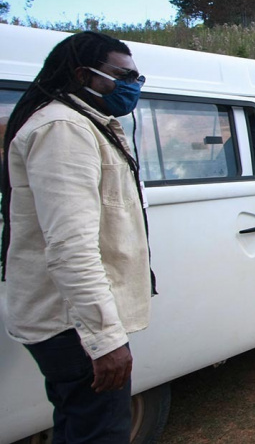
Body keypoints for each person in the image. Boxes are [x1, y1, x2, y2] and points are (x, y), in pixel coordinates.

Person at [0, 32, 153, 441]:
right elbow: (71, 247)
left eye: (138, 77)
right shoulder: (64, 128)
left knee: (77, 424)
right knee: (100, 431)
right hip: (74, 326)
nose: (134, 85)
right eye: (124, 76)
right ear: (83, 74)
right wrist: (104, 340)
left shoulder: (84, 123)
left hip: (75, 322)